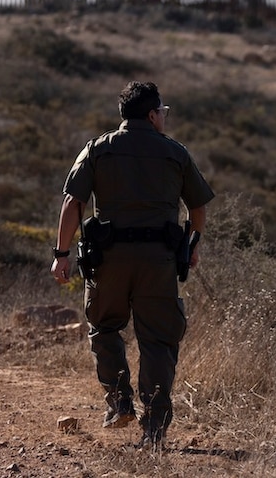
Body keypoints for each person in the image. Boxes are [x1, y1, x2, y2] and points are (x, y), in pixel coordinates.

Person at [50, 81, 215, 449]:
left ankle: (119, 402)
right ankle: (153, 429)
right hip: (158, 261)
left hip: (107, 260)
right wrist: (193, 244)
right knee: (157, 339)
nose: (164, 119)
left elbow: (72, 203)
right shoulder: (175, 152)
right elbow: (199, 207)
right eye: (163, 113)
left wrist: (61, 255)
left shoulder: (98, 149)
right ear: (153, 114)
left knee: (104, 327)